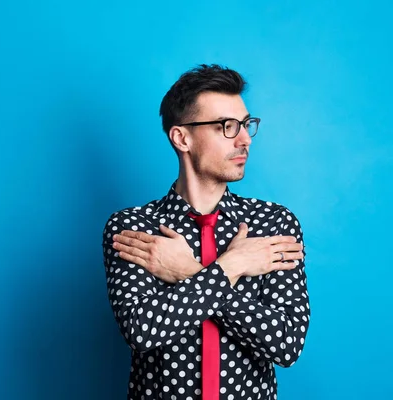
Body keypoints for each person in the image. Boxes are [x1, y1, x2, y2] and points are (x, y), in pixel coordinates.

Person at [101, 64, 310, 400]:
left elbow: (285, 345)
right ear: (182, 137)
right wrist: (230, 267)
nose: (244, 140)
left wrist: (189, 272)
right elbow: (142, 331)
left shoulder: (272, 224)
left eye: (245, 125)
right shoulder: (134, 229)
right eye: (226, 127)